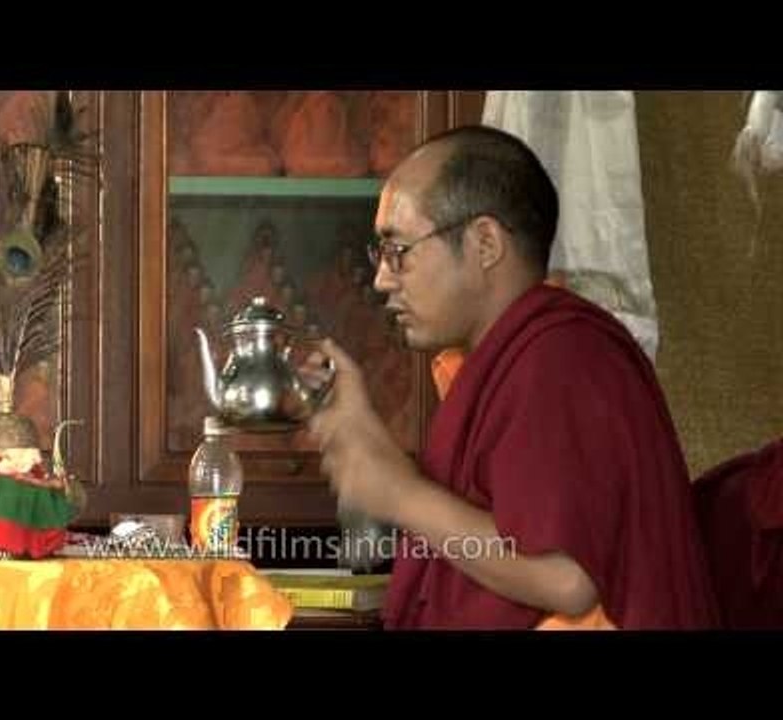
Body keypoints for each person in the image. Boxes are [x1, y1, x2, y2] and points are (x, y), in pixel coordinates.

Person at [304, 125, 719, 630]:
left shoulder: (561, 357)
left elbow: (566, 578)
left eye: (399, 251)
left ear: (484, 243)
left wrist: (401, 495)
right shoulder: (508, 358)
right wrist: (364, 433)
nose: (381, 279)